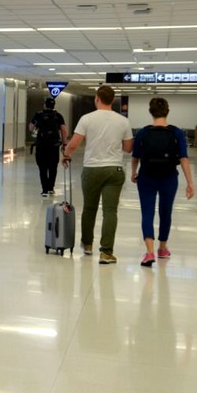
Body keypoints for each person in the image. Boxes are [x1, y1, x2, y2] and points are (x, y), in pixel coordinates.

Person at [61, 86, 133, 264]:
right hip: (114, 170)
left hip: (92, 169)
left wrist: (66, 156)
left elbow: (74, 144)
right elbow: (128, 148)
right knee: (110, 211)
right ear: (113, 100)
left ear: (97, 98)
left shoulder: (87, 119)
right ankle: (106, 252)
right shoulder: (123, 121)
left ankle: (87, 245)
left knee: (89, 208)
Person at [130, 97, 195, 267]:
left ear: (151, 112)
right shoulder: (176, 132)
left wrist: (133, 172)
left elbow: (135, 156)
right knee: (165, 213)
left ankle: (149, 252)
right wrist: (190, 183)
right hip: (169, 178)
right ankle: (162, 248)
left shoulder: (143, 132)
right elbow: (184, 158)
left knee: (147, 213)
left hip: (146, 178)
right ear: (167, 111)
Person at [29, 97, 68, 197]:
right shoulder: (58, 116)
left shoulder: (38, 115)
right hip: (54, 146)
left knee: (42, 168)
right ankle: (51, 188)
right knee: (53, 167)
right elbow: (63, 130)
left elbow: (30, 128)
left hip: (41, 145)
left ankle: (44, 190)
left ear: (45, 105)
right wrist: (64, 144)